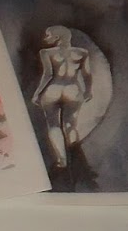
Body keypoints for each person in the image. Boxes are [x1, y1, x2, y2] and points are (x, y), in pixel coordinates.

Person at [31, 25, 92, 171]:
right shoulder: (82, 53)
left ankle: (62, 160)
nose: (46, 38)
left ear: (57, 37)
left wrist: (37, 93)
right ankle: (75, 158)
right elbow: (87, 74)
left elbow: (48, 75)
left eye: (48, 35)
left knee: (53, 125)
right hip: (73, 90)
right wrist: (88, 91)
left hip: (53, 90)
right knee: (70, 125)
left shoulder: (46, 53)